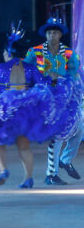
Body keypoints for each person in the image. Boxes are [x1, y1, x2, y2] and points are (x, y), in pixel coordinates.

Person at [0, 24, 76, 189]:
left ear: (8, 53)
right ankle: (28, 178)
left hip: (3, 110)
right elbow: (45, 83)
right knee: (23, 146)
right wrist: (54, 78)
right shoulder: (31, 68)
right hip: (24, 111)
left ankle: (3, 170)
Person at [25, 17, 81, 185]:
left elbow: (74, 74)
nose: (52, 35)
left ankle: (65, 160)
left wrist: (60, 78)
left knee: (80, 130)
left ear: (60, 35)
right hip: (45, 99)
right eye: (49, 32)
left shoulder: (69, 53)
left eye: (55, 32)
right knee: (57, 136)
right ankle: (51, 174)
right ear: (46, 34)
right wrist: (44, 77)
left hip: (66, 98)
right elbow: (26, 71)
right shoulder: (35, 52)